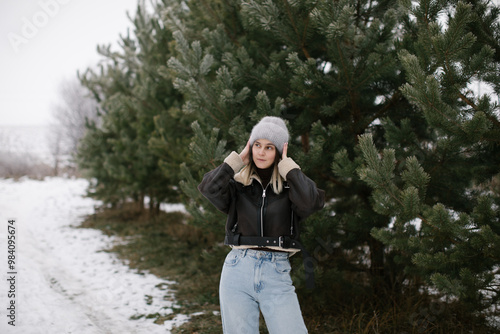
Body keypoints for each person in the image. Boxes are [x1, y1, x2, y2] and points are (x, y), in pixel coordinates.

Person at [198, 116, 325, 334]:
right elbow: (208, 188)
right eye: (257, 145)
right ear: (250, 146)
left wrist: (289, 168)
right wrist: (236, 161)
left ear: (278, 151)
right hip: (237, 269)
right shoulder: (238, 186)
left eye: (269, 147)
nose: (261, 152)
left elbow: (311, 202)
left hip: (276, 270)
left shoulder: (290, 187)